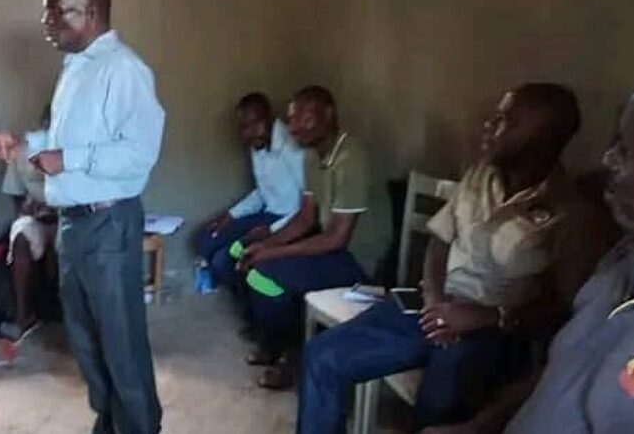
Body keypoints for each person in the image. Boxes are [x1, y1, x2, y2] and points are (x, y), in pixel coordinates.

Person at [296, 83, 596, 434]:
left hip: (495, 332)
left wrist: (487, 316)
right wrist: (435, 301)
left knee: (443, 393)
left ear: (546, 139)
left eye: (506, 121)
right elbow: (439, 241)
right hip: (433, 308)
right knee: (322, 355)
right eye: (494, 116)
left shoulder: (571, 213)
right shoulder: (479, 175)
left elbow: (565, 307)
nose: (489, 125)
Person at [423, 70, 634, 434]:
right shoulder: (627, 259)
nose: (606, 160)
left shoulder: (572, 217)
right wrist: (478, 427)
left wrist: (494, 317)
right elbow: (565, 372)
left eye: (626, 150)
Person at [0, 0, 165, 434]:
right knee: (86, 341)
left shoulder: (123, 69)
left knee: (121, 344)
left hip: (108, 223)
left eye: (58, 11)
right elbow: (65, 141)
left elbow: (139, 152)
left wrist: (69, 158)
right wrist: (24, 144)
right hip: (74, 225)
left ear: (92, 13)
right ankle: (109, 424)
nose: (47, 21)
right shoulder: (77, 68)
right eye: (47, 10)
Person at [237, 86, 371, 390]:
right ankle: (277, 347)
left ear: (328, 115)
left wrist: (271, 255)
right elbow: (305, 218)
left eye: (304, 119)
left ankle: (290, 357)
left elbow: (338, 238)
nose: (294, 127)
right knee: (257, 269)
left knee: (268, 276)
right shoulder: (313, 156)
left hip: (358, 263)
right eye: (292, 119)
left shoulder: (351, 157)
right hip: (330, 249)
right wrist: (265, 245)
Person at [198, 92, 305, 289]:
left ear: (265, 120)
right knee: (207, 238)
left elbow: (307, 205)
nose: (244, 134)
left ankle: (249, 294)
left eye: (250, 126)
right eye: (242, 127)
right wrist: (230, 215)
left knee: (223, 261)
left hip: (288, 222)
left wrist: (271, 231)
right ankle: (241, 279)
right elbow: (262, 191)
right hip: (266, 215)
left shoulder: (291, 147)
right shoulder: (257, 145)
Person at [0, 105, 57, 341]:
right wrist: (26, 209)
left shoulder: (76, 151)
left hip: (69, 218)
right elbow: (15, 192)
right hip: (37, 218)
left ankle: (63, 311)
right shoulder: (23, 152)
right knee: (21, 236)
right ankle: (23, 313)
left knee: (64, 245)